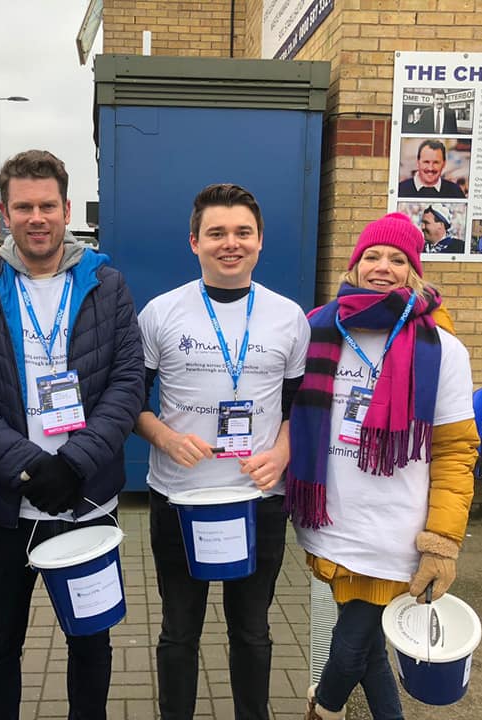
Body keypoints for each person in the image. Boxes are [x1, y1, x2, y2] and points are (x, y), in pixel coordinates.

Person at [0, 149, 144, 719]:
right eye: (24, 206)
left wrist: (74, 463)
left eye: (47, 205)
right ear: (5, 214)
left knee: (90, 641)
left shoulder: (107, 285)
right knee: (0, 643)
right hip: (7, 506)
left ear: (66, 208)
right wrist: (28, 468)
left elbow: (128, 383)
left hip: (87, 501)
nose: (37, 217)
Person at [286, 212, 478, 720]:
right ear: (354, 265)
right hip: (330, 520)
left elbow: (457, 451)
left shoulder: (443, 348)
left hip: (396, 529)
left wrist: (443, 541)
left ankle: (322, 711)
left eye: (397, 259)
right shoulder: (315, 331)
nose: (382, 267)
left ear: (413, 271)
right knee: (366, 643)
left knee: (351, 641)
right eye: (371, 255)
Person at [136, 183, 310, 720]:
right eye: (216, 233)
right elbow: (127, 403)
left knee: (253, 631)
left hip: (258, 498)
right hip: (180, 498)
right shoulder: (160, 313)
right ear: (194, 242)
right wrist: (164, 437)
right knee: (178, 632)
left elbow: (297, 409)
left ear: (260, 242)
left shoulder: (289, 318)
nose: (229, 243)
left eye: (242, 233)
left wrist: (281, 455)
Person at [397, 139, 465, 199]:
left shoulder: (455, 191)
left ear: (444, 164)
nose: (430, 168)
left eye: (436, 162)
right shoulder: (400, 189)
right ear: (418, 163)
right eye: (426, 162)